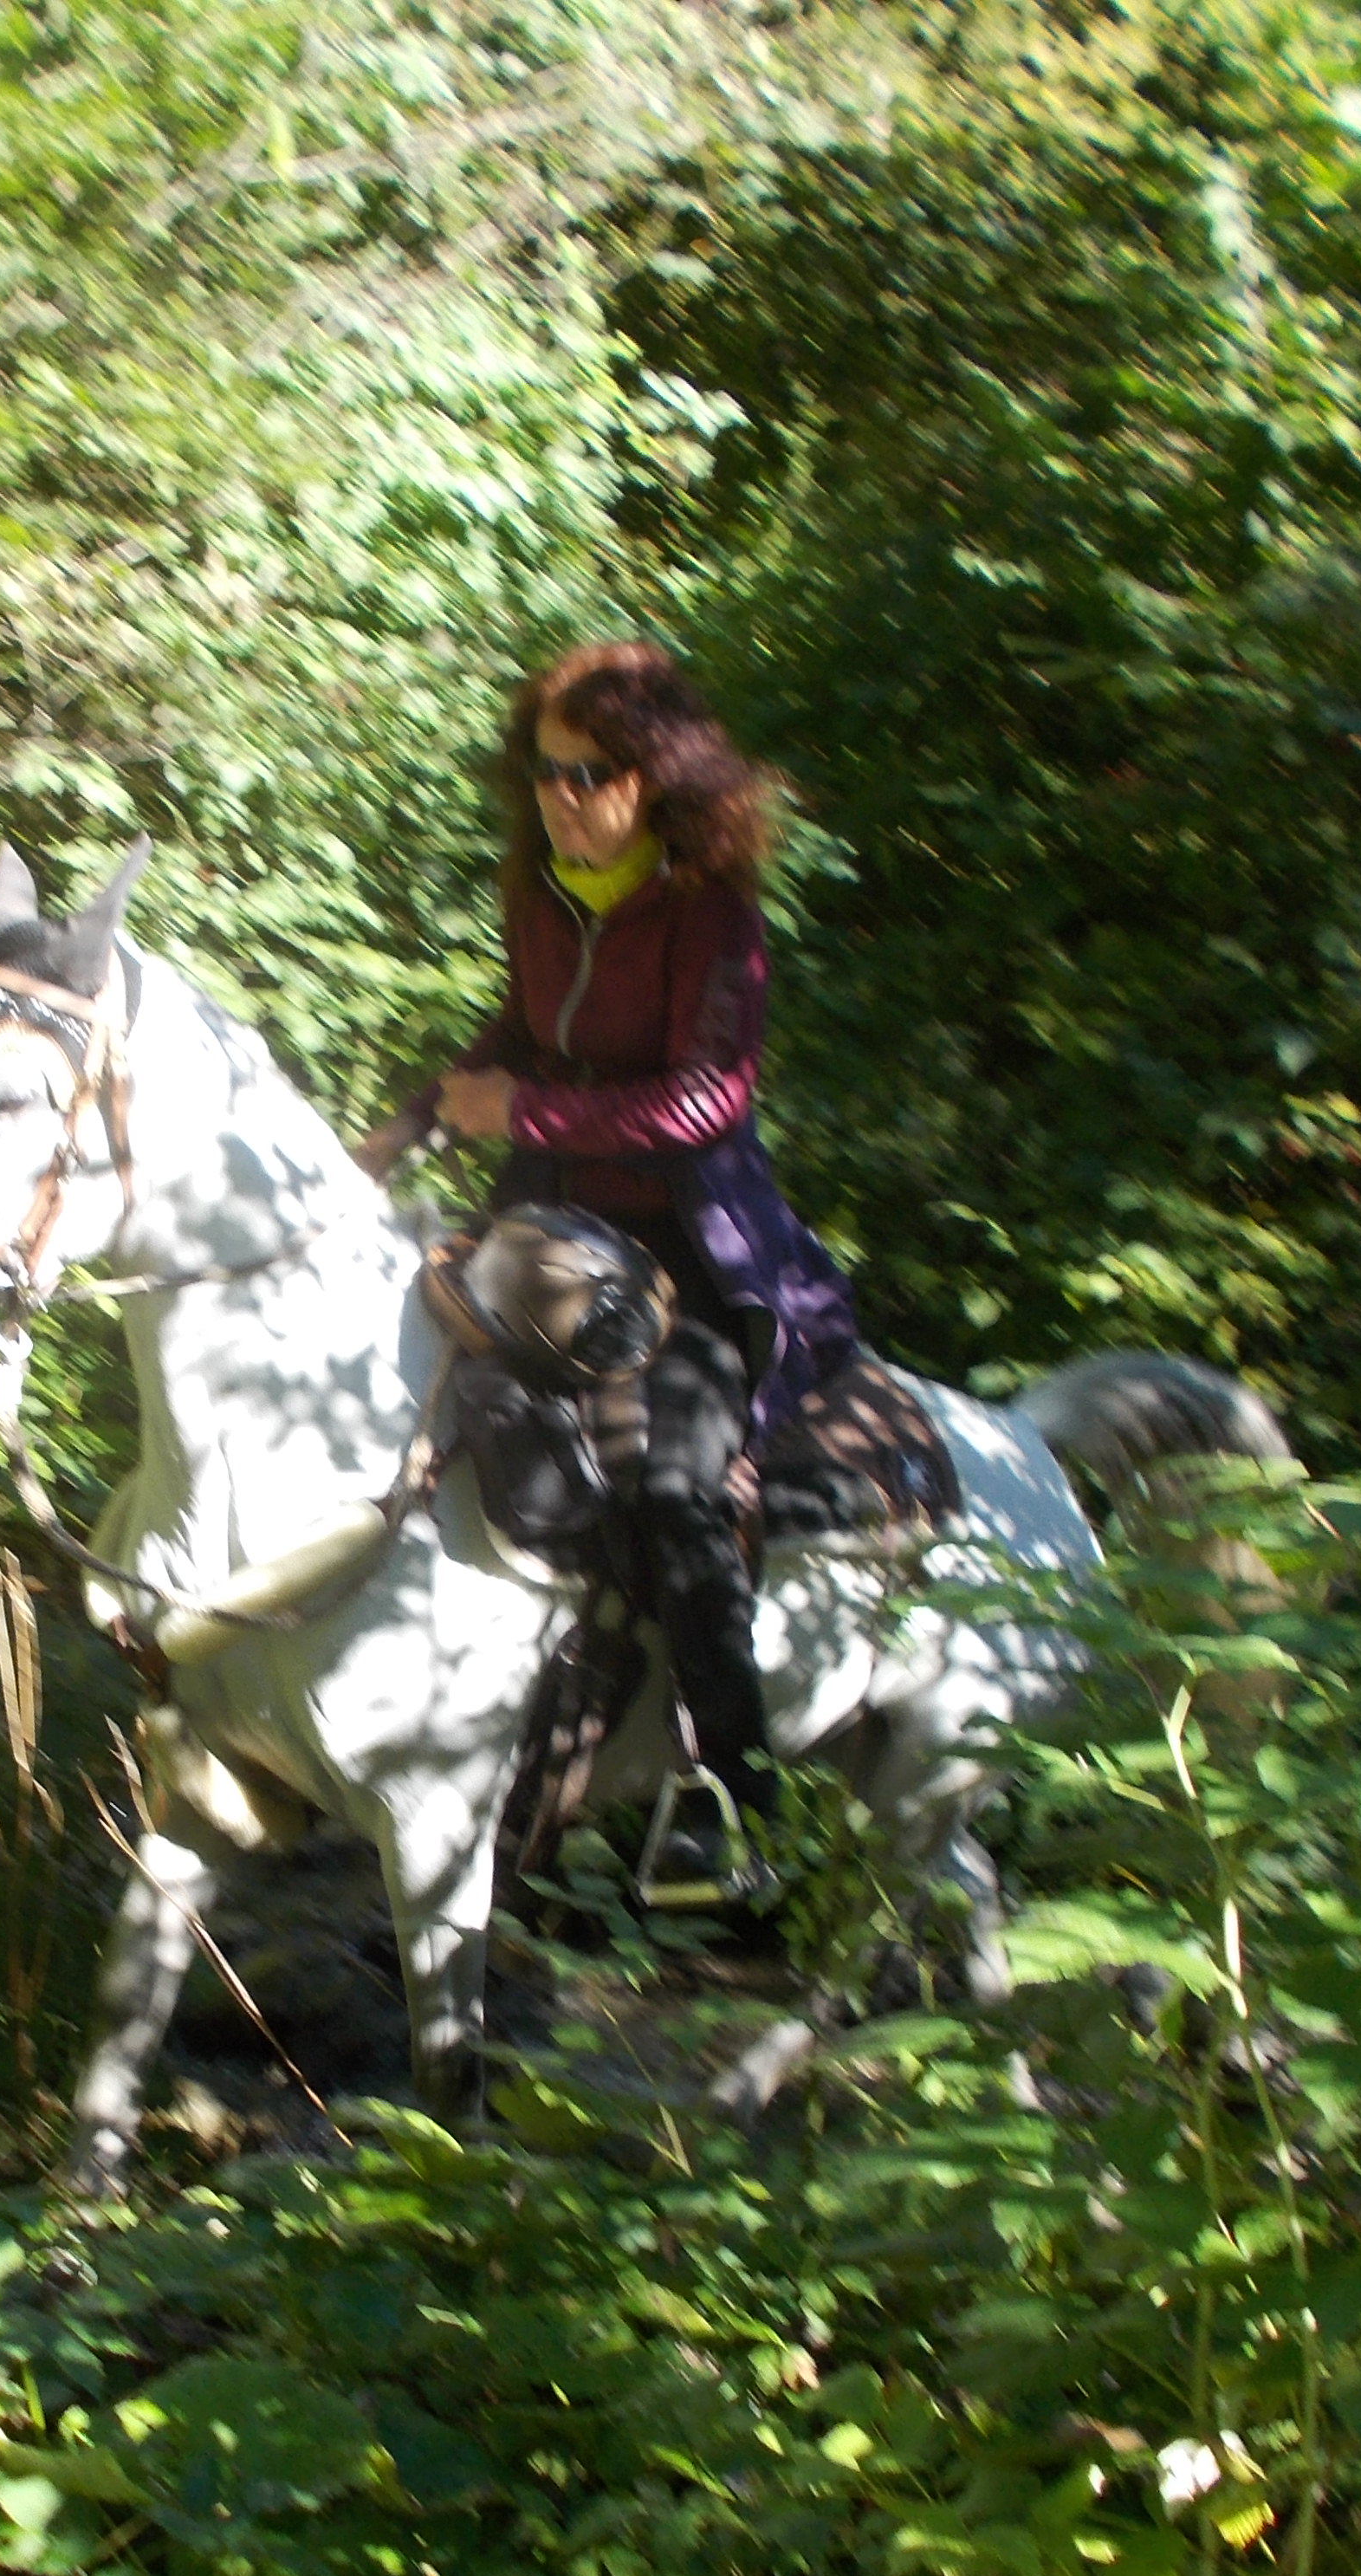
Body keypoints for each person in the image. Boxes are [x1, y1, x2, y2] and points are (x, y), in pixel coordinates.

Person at [360, 641, 865, 1851]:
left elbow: (708, 1102)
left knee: (673, 1487)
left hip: (688, 1251)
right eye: (546, 771)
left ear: (658, 778)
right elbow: (518, 1034)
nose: (562, 797)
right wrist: (407, 1128)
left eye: (592, 775)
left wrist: (527, 1114)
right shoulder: (542, 895)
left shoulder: (710, 912)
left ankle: (738, 1811)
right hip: (551, 1233)